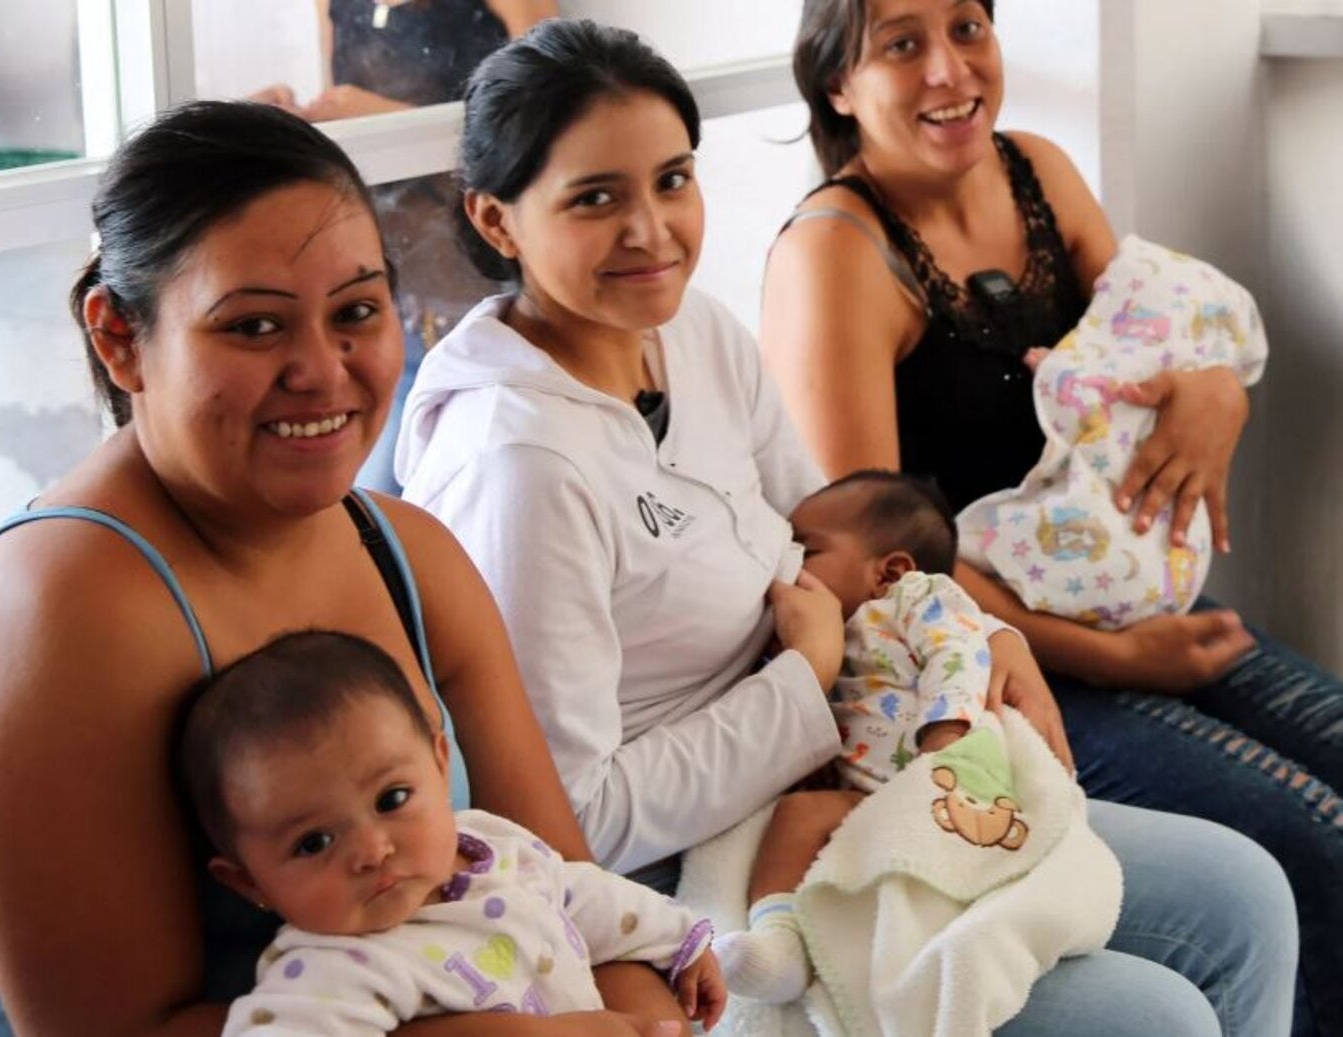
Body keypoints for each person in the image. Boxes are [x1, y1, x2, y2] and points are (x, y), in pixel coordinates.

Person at [394, 17, 1298, 1037]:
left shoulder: (687, 331)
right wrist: (801, 687)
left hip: (845, 755)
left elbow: (826, 526)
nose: (652, 229)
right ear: (497, 220)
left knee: (1243, 891)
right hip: (707, 865)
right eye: (595, 198)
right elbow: (572, 814)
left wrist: (975, 628)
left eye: (673, 179)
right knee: (1152, 1013)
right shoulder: (518, 464)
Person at [0, 99, 702, 1037]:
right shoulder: (52, 618)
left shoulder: (408, 555)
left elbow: (571, 902)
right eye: (254, 327)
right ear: (120, 339)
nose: (323, 372)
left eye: (357, 312)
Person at [759, 0, 1339, 1032]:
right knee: (1314, 840)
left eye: (967, 28)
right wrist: (1123, 662)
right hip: (988, 666)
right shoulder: (834, 257)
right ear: (837, 86)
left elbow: (1145, 346)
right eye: (901, 43)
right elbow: (884, 576)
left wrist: (1216, 388)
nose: (949, 69)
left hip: (1123, 610)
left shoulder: (1035, 168)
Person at [177, 630, 725, 1035]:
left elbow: (582, 894)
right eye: (313, 843)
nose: (372, 850)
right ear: (250, 884)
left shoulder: (491, 846)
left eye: (391, 799)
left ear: (440, 766)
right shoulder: (332, 969)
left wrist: (678, 939)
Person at [252, 0, 559, 495]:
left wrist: (388, 118)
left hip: (487, 293)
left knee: (471, 489)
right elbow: (351, 156)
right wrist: (292, 125)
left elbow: (551, 133)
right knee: (368, 494)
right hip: (387, 293)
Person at [713, 469, 993, 1003]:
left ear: (889, 572)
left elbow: (959, 653)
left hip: (933, 783)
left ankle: (785, 938)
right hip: (869, 797)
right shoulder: (823, 632)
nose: (789, 569)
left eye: (806, 551)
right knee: (799, 815)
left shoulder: (917, 598)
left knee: (799, 820)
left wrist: (946, 737)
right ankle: (784, 943)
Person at [956, 235, 1269, 631]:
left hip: (1138, 571)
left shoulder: (1151, 356)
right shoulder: (861, 249)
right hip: (1018, 618)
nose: (1103, 290)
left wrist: (1226, 393)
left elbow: (1088, 396)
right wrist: (1114, 658)